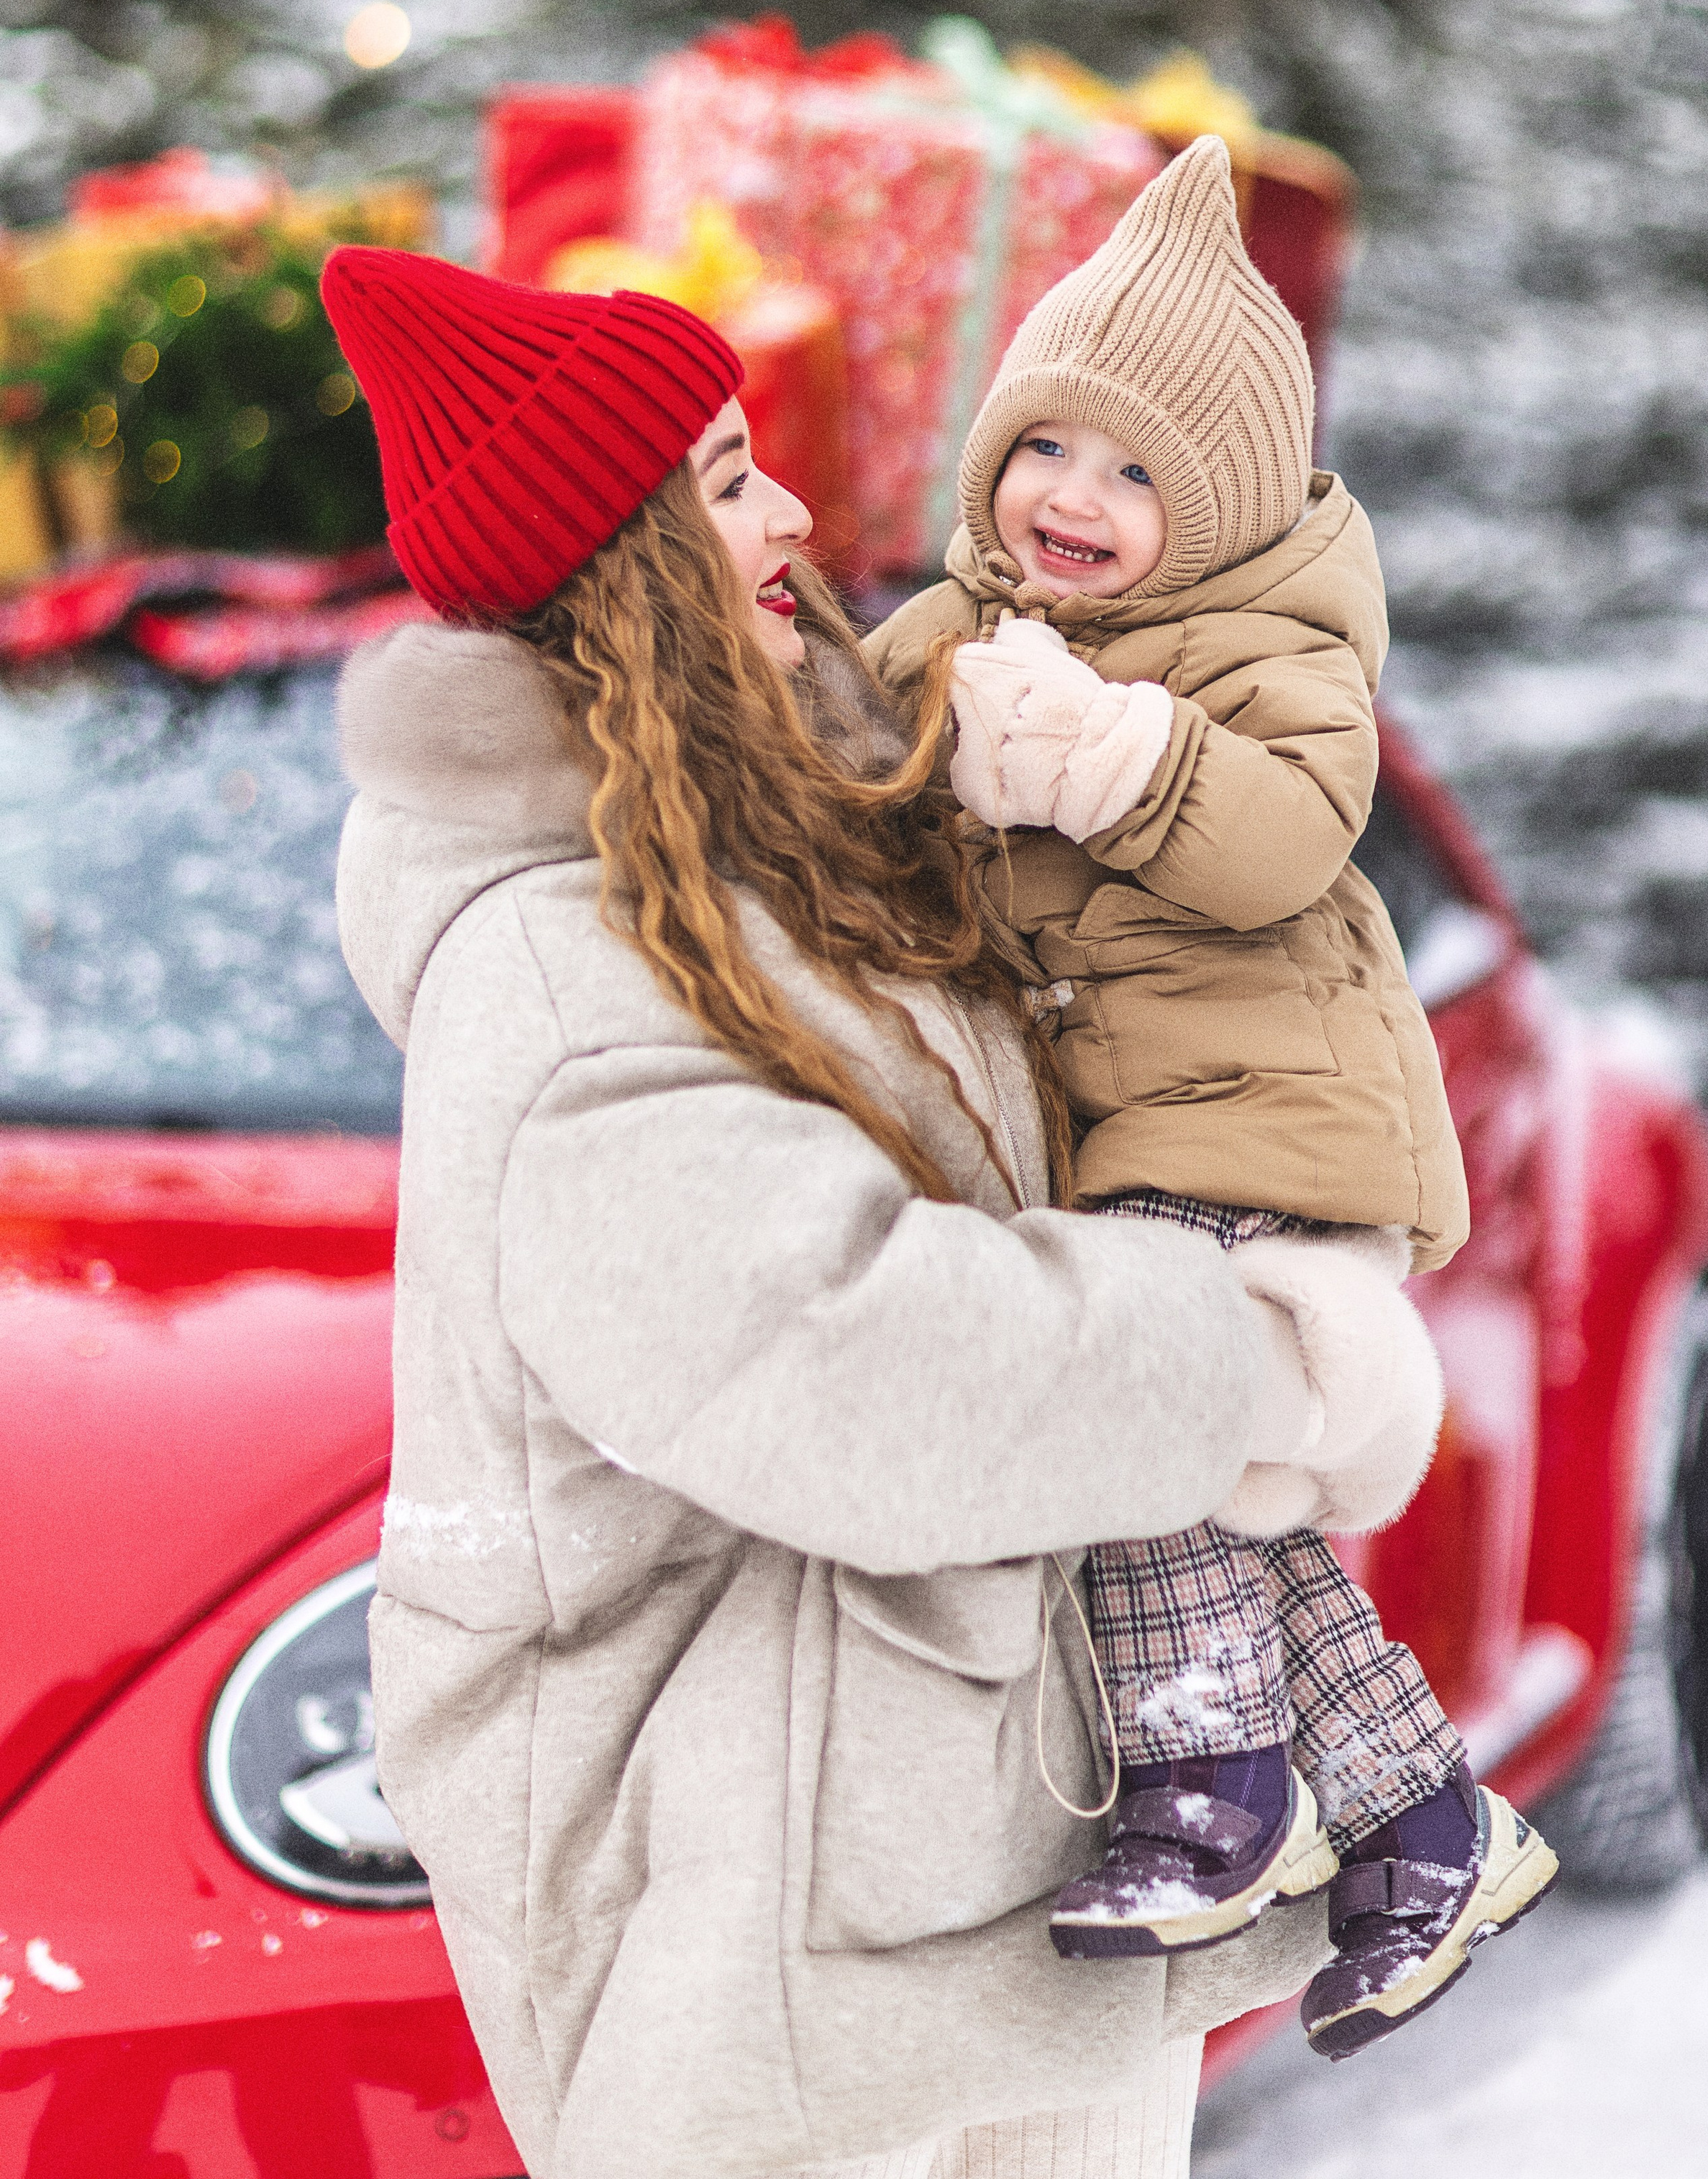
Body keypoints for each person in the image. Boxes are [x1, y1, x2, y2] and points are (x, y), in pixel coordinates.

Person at [319, 247, 1444, 2179]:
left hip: (971, 1875)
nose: (792, 514)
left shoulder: (798, 856)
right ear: (624, 556)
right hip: (769, 1962)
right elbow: (850, 1361)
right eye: (730, 477)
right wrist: (1267, 1357)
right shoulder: (563, 969)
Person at [864, 138, 1558, 2061]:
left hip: (1266, 1116)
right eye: (1047, 449)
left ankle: (1213, 1786)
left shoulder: (1275, 650)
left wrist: (1106, 753)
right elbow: (841, 777)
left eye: (1140, 471)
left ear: (1228, 504)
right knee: (1234, 1507)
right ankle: (1425, 1816)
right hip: (1138, 1133)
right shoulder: (957, 629)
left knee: (1135, 1375)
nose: (1074, 499)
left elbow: (1273, 848)